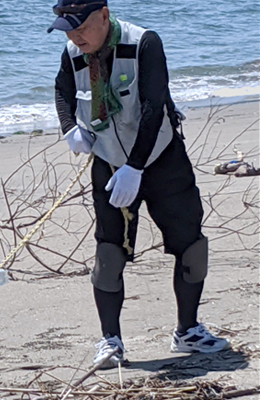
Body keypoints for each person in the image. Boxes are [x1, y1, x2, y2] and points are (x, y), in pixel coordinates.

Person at [48, 0, 230, 369]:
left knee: (190, 245)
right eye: (67, 28)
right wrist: (70, 128)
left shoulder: (144, 43)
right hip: (109, 160)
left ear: (103, 15)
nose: (74, 36)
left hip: (161, 158)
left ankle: (188, 329)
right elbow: (62, 91)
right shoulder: (73, 51)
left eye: (80, 27)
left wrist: (135, 168)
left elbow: (153, 105)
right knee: (109, 251)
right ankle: (111, 341)